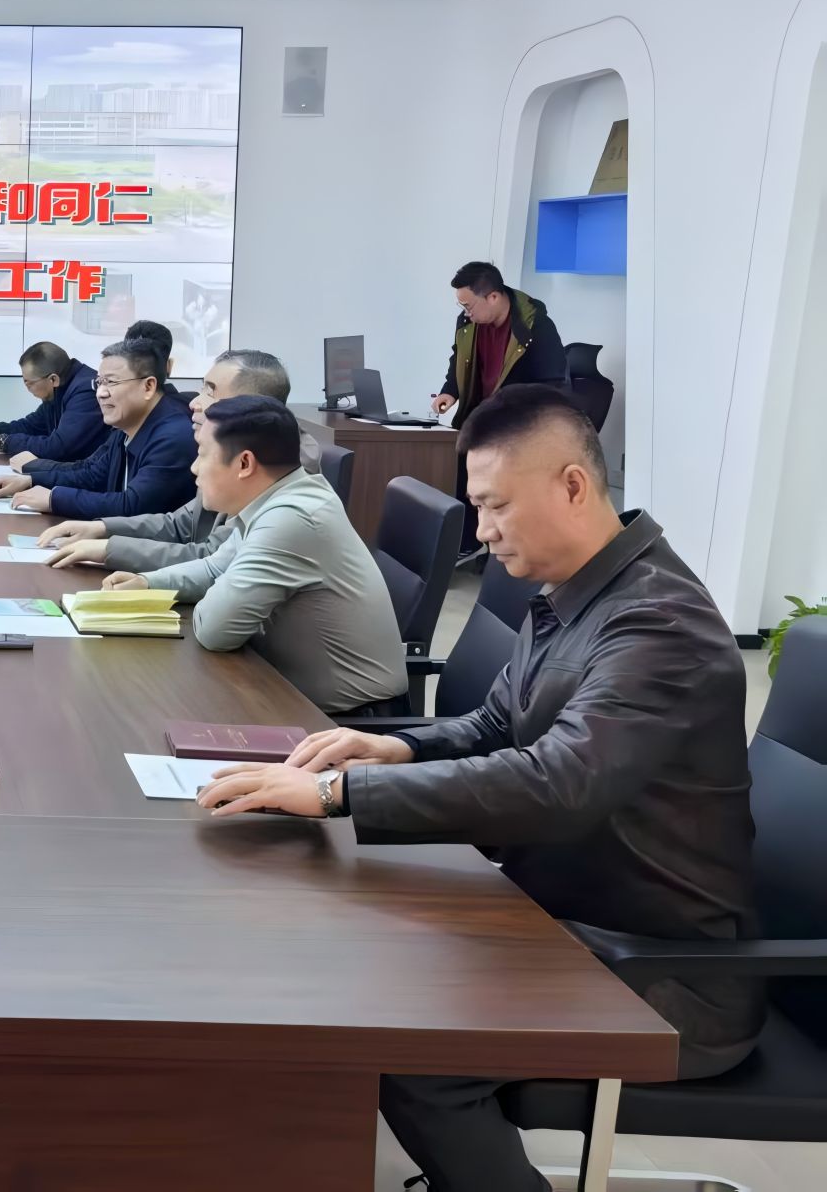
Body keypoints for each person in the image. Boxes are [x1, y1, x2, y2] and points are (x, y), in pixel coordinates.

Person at [199, 386, 760, 1192]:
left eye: (496, 506)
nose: (483, 530)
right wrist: (394, 744)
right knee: (344, 955)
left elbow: (559, 782)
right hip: (563, 920)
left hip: (659, 974)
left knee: (415, 1045)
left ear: (573, 484)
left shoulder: (659, 625)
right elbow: (498, 724)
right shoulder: (580, 589)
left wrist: (337, 795)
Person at [95, 395, 405, 715]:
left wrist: (219, 591)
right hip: (288, 691)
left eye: (203, 454)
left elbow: (215, 629)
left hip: (347, 721)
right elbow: (215, 567)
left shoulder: (293, 518)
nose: (194, 468)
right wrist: (147, 583)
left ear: (244, 464)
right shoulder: (278, 496)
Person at [38, 348, 321, 574]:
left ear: (252, 406)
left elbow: (211, 558)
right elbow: (180, 524)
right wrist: (101, 528)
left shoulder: (275, 466)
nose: (194, 402)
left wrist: (108, 548)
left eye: (210, 391)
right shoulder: (225, 447)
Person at [0, 337, 196, 518]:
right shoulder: (125, 427)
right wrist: (31, 480)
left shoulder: (173, 436)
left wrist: (54, 499)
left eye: (111, 382)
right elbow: (91, 473)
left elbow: (132, 506)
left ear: (148, 386)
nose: (100, 393)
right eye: (99, 382)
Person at [431, 260, 566, 426]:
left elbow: (552, 386)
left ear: (493, 297)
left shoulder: (536, 326)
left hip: (516, 427)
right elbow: (459, 358)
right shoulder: (467, 323)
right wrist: (449, 391)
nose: (466, 313)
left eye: (468, 306)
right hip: (478, 422)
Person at [0, 340, 108, 469]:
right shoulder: (59, 389)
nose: (27, 389)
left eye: (29, 383)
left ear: (53, 379)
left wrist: (2, 442)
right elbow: (32, 425)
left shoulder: (86, 392)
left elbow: (58, 447)